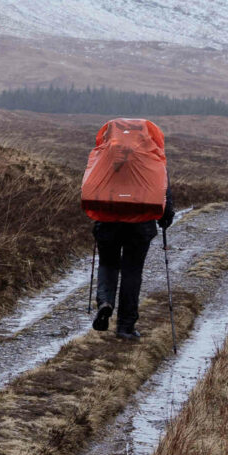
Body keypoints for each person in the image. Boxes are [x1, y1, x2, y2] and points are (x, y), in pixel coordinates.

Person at [78, 118, 174, 338]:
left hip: (108, 221)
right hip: (140, 225)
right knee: (132, 272)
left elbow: (90, 184)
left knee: (108, 264)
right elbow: (163, 190)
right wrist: (165, 218)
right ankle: (125, 327)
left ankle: (105, 302)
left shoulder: (105, 155)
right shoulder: (152, 156)